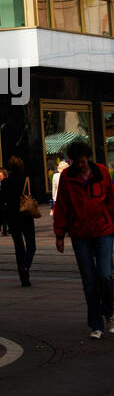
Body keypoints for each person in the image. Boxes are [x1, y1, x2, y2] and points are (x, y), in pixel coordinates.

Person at [53, 140, 114, 339]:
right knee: (89, 281)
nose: (79, 165)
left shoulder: (102, 172)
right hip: (80, 234)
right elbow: (62, 206)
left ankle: (110, 313)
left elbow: (111, 199)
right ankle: (96, 324)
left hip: (103, 230)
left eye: (81, 161)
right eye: (75, 162)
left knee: (105, 275)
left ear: (88, 157)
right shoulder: (67, 177)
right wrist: (59, 234)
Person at [0, 155, 37, 286]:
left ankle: (23, 275)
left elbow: (1, 202)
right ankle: (26, 266)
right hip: (26, 215)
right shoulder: (26, 179)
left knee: (19, 246)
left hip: (12, 217)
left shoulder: (5, 182)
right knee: (31, 244)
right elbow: (34, 194)